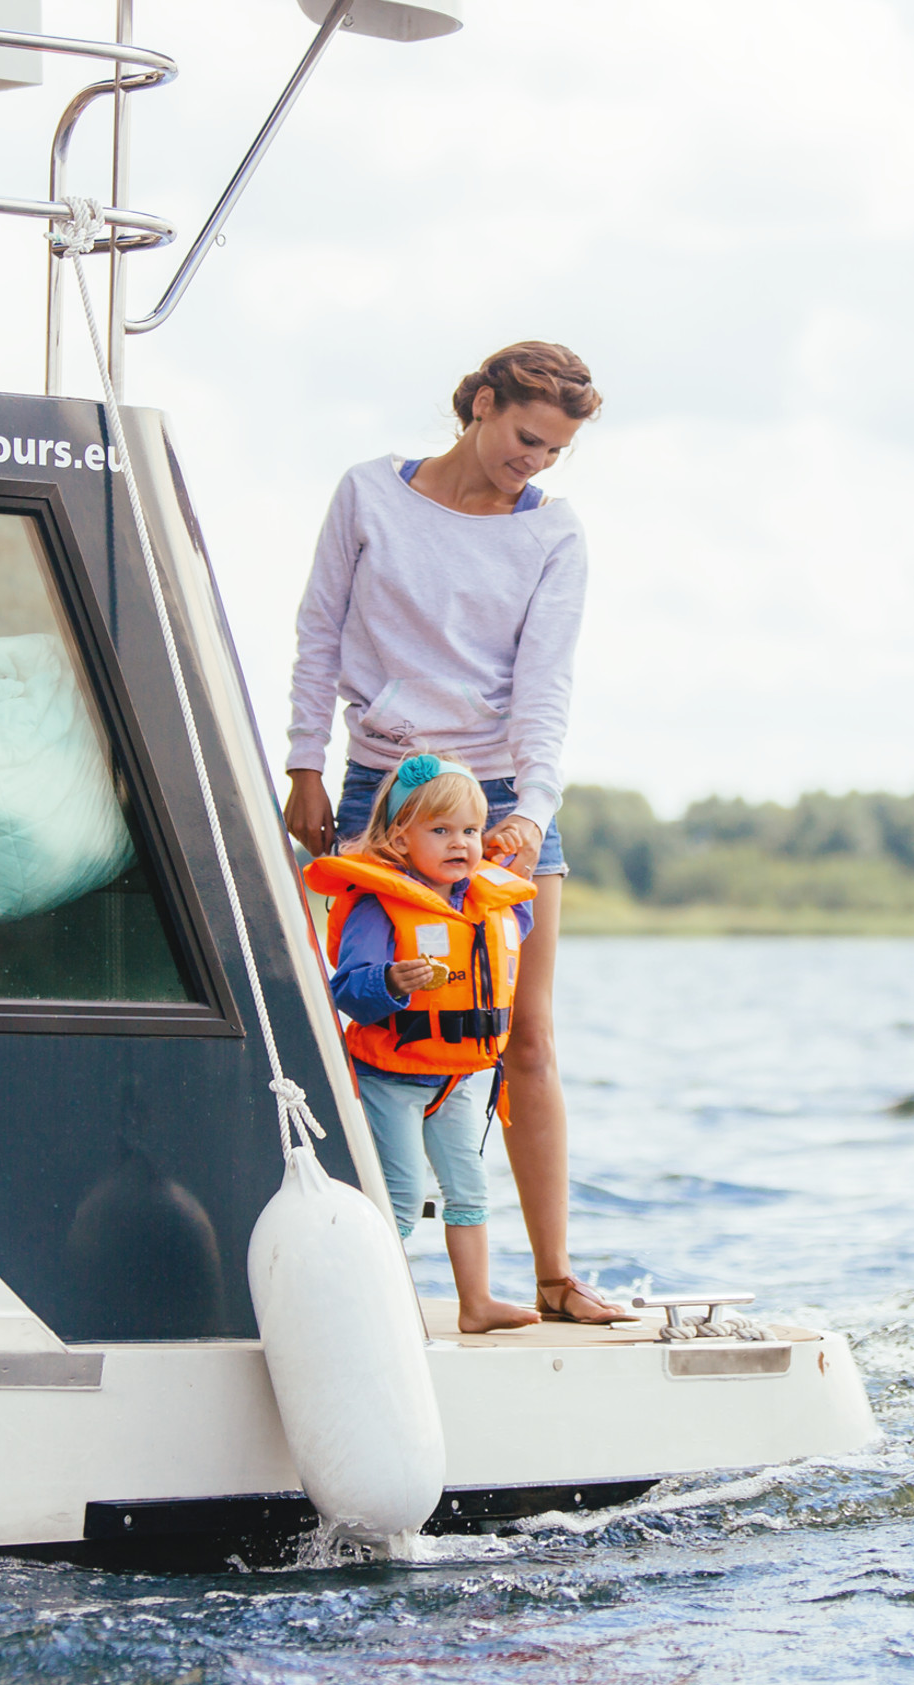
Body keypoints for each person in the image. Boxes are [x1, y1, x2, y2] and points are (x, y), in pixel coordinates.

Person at [283, 341, 623, 1324]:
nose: (536, 462)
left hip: (505, 798)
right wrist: (305, 762)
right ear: (480, 405)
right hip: (380, 795)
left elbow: (544, 683)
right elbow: (317, 629)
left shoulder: (554, 536)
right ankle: (362, 1277)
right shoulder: (368, 495)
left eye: (555, 451)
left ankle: (553, 1279)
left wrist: (533, 813)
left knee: (524, 1034)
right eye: (526, 438)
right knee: (363, 1026)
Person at [307, 754, 542, 1333]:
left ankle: (476, 1305)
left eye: (468, 831)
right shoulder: (376, 904)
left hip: (459, 1077)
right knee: (403, 1195)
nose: (459, 843)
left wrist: (511, 854)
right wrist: (389, 981)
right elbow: (349, 989)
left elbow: (511, 933)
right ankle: (367, 1309)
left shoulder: (482, 896)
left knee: (469, 1188)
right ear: (397, 837)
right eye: (440, 831)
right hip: (391, 1075)